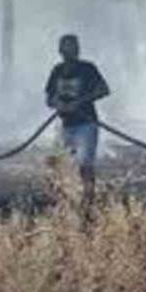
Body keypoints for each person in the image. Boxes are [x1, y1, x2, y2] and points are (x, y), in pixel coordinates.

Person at [44, 34, 110, 200]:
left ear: (78, 49)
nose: (70, 50)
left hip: (86, 124)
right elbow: (49, 99)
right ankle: (62, 198)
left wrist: (80, 102)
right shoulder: (57, 70)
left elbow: (103, 90)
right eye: (66, 46)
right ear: (60, 50)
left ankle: (89, 199)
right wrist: (57, 103)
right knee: (54, 162)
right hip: (65, 125)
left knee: (85, 165)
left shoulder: (87, 68)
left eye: (73, 46)